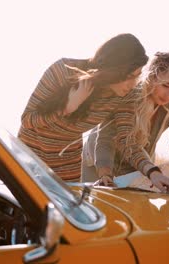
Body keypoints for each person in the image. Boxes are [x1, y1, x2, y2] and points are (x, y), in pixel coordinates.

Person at [18, 33, 149, 182]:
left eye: (137, 76)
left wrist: (152, 172)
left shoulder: (127, 94)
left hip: (67, 167)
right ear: (114, 68)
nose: (133, 84)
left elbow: (126, 141)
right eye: (130, 76)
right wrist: (67, 108)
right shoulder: (63, 70)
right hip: (29, 158)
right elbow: (27, 120)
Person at [82, 50, 169, 194]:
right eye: (166, 85)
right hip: (101, 161)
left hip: (142, 164)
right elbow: (106, 139)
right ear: (152, 76)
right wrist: (105, 175)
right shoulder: (127, 92)